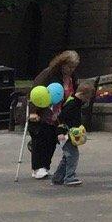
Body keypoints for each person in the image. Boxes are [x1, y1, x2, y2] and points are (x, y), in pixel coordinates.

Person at [27, 50, 80, 180]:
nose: (71, 69)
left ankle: (45, 166)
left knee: (52, 140)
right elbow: (36, 91)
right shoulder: (49, 74)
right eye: (69, 66)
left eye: (73, 67)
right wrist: (33, 112)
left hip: (59, 113)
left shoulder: (72, 77)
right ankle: (37, 167)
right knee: (41, 139)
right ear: (62, 64)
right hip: (44, 111)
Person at [49, 86, 87, 187]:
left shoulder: (75, 103)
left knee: (67, 156)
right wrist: (60, 132)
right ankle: (69, 177)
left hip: (71, 134)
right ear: (83, 94)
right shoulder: (72, 104)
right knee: (72, 155)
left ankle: (57, 178)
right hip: (66, 134)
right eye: (87, 97)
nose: (88, 101)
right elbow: (61, 119)